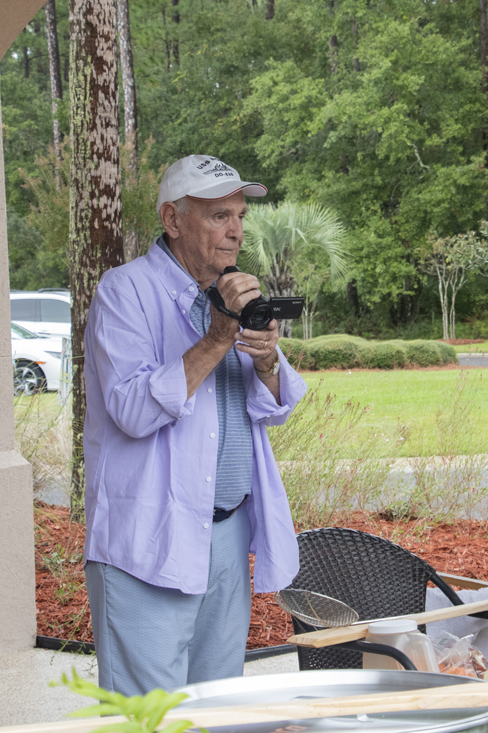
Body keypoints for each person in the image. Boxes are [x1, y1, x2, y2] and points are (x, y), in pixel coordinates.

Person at [82, 154, 308, 696]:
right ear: (173, 219)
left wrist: (266, 360)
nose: (235, 232)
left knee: (216, 706)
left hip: (227, 536)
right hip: (148, 541)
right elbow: (133, 410)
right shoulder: (124, 292)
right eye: (217, 216)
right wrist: (217, 338)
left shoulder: (231, 295)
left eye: (239, 216)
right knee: (149, 714)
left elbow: (277, 405)